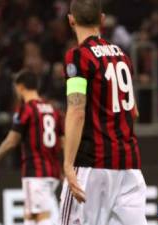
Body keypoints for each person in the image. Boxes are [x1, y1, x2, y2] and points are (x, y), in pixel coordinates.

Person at [60, 0, 146, 225]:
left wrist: (68, 164)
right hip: (129, 166)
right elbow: (133, 110)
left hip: (92, 164)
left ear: (71, 20)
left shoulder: (78, 56)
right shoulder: (122, 56)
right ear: (102, 19)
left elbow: (77, 109)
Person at [0, 70, 63, 225]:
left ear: (20, 87)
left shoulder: (26, 109)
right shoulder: (53, 110)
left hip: (35, 171)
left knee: (42, 217)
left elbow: (12, 141)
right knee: (31, 216)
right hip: (52, 171)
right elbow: (64, 140)